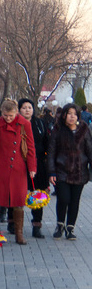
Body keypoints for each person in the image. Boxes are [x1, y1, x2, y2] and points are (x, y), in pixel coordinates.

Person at [0, 100, 36, 245]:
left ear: (16, 112)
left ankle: (18, 233)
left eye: (11, 115)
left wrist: (32, 168)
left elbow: (31, 148)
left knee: (19, 201)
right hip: (0, 167)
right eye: (5, 115)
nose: (8, 118)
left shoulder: (25, 124)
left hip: (18, 168)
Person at [47, 103, 92, 240]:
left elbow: (89, 150)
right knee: (64, 198)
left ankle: (70, 228)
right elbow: (51, 153)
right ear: (64, 115)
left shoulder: (84, 129)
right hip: (62, 171)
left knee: (75, 201)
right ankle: (60, 225)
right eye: (69, 114)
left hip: (80, 171)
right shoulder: (58, 130)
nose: (72, 117)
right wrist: (52, 172)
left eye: (74, 114)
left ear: (78, 116)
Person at [18, 98, 50, 238]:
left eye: (29, 107)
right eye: (24, 107)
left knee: (38, 194)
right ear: (19, 110)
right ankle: (13, 222)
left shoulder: (40, 123)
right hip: (19, 163)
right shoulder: (15, 123)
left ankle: (36, 225)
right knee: (17, 193)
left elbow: (46, 142)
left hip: (38, 163)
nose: (27, 110)